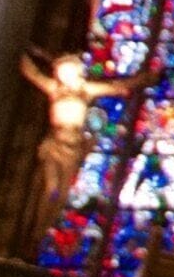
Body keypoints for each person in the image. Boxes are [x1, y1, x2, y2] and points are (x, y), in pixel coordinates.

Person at [19, 50, 154, 239]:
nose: (65, 78)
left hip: (73, 149)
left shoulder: (86, 90)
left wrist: (140, 80)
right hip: (56, 145)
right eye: (61, 74)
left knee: (61, 195)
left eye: (68, 73)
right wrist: (20, 51)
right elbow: (34, 74)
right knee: (52, 190)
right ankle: (33, 230)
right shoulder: (54, 89)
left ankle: (41, 232)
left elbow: (114, 87)